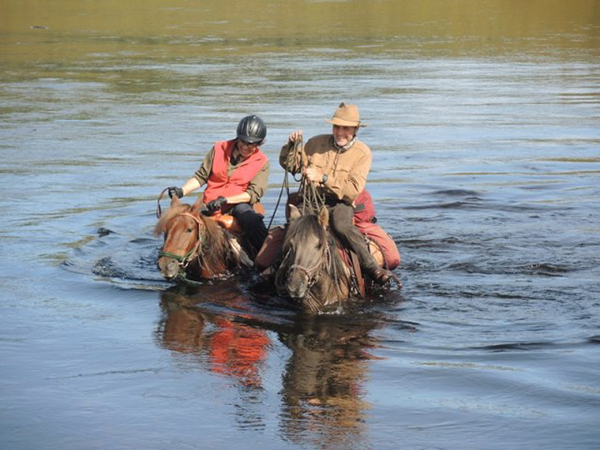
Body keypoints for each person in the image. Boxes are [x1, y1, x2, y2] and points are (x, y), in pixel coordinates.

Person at [279, 103, 394, 284]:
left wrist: (323, 177)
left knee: (342, 226)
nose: (340, 132)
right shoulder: (315, 143)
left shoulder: (362, 153)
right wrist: (291, 146)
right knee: (297, 228)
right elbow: (291, 165)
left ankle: (371, 267)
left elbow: (353, 190)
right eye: (336, 127)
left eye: (345, 128)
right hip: (311, 200)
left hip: (340, 202)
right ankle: (278, 268)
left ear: (355, 129)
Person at [167, 115, 270, 256]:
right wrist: (181, 191)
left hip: (237, 205)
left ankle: (265, 258)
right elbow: (201, 176)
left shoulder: (262, 162)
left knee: (252, 220)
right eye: (242, 142)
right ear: (237, 137)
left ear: (260, 143)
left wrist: (225, 200)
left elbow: (253, 194)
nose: (245, 147)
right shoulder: (218, 149)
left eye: (250, 144)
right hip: (210, 203)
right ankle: (171, 255)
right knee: (180, 222)